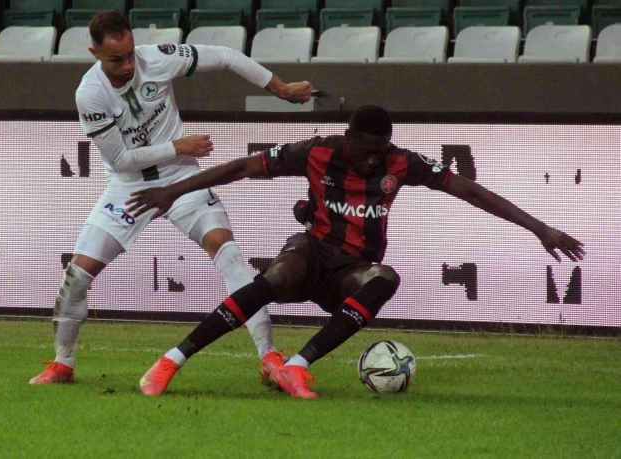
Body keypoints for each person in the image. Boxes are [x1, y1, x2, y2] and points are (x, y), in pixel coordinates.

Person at [126, 105, 586, 399]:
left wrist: (539, 228)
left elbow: (469, 190)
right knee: (277, 276)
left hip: (352, 269)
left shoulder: (401, 162)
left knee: (385, 278)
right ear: (348, 138)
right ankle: (170, 362)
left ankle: (296, 367)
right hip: (311, 252)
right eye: (366, 150)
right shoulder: (316, 152)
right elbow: (242, 167)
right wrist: (173, 191)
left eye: (380, 151)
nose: (373, 159)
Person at [29, 11, 313, 385]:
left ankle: (269, 356)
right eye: (116, 59)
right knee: (77, 275)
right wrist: (177, 146)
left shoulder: (158, 58)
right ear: (94, 53)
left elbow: (227, 56)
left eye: (130, 54)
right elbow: (121, 160)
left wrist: (280, 87)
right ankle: (63, 363)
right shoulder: (90, 94)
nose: (127, 65)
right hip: (130, 189)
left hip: (181, 180)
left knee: (229, 254)